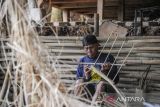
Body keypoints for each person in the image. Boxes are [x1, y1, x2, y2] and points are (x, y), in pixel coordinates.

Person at [74, 35, 119, 101]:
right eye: (86, 48)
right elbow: (78, 79)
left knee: (101, 84)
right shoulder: (82, 61)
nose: (89, 50)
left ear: (97, 45)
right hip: (90, 89)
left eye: (91, 47)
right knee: (79, 83)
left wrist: (105, 73)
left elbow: (116, 80)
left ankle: (94, 105)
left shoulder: (108, 58)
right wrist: (87, 76)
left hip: (104, 89)